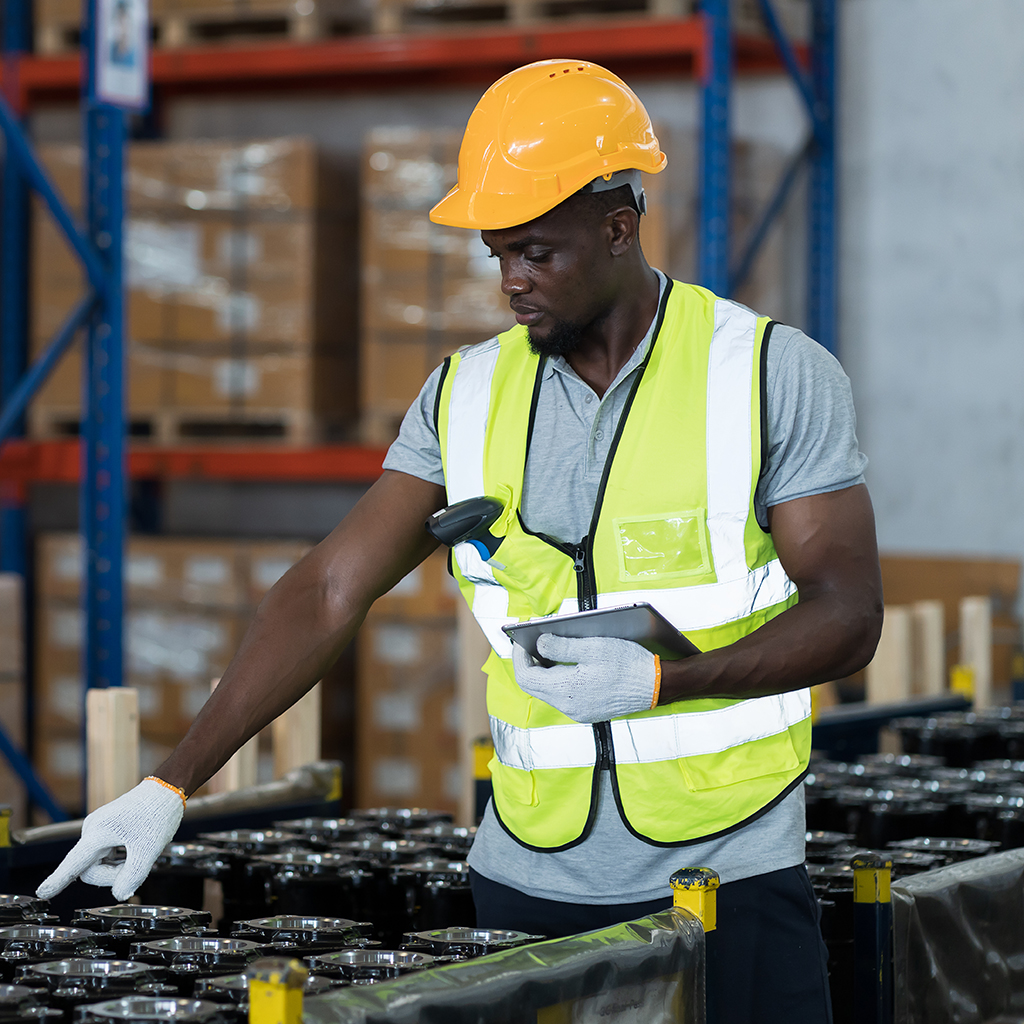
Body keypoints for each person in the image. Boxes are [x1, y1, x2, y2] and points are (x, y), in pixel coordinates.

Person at [39, 60, 882, 1024]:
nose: (511, 283)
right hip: (525, 896)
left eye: (536, 253)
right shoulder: (465, 396)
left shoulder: (769, 376)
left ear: (620, 224)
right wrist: (171, 781)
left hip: (730, 881)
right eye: (498, 255)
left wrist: (663, 684)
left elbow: (849, 616)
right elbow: (327, 590)